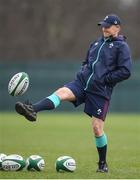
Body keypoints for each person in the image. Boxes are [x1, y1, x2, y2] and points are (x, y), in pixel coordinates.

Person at [15, 14, 132, 173]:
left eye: (108, 25)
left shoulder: (121, 47)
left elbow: (125, 71)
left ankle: (102, 164)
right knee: (61, 92)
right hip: (82, 83)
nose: (104, 28)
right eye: (103, 25)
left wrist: (105, 80)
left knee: (97, 129)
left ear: (117, 28)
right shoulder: (96, 43)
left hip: (100, 91)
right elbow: (86, 62)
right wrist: (84, 71)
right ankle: (32, 109)